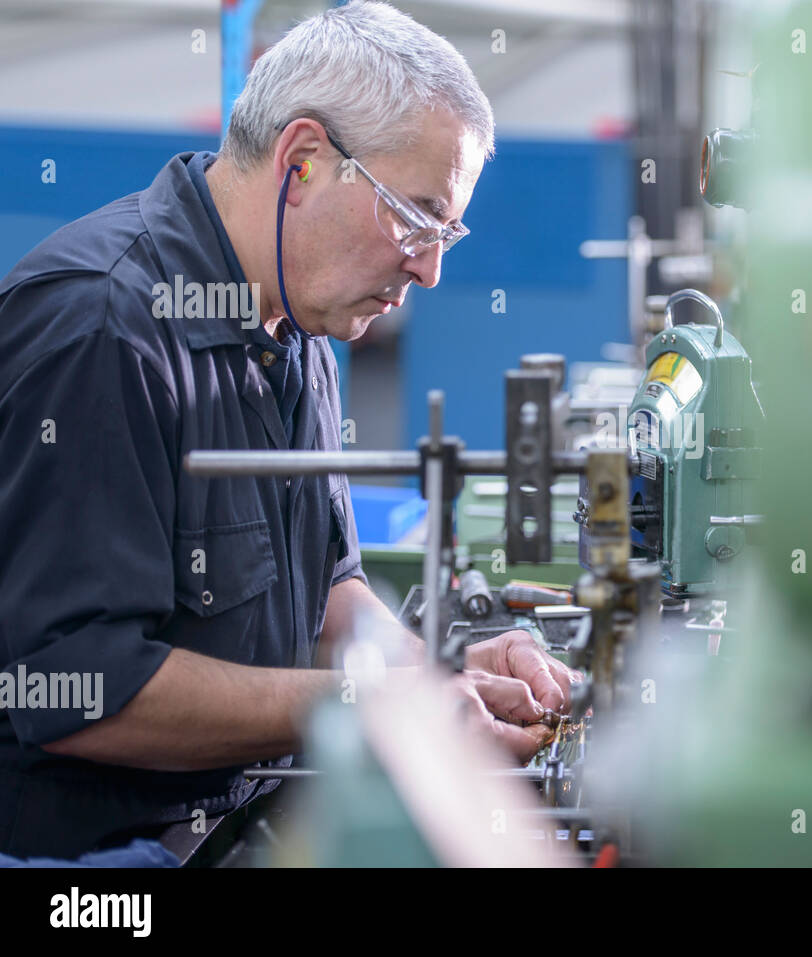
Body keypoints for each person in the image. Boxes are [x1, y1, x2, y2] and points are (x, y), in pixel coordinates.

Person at [0, 0, 572, 860]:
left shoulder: (292, 323)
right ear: (302, 162)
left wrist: (435, 674)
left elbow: (330, 590)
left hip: (233, 824)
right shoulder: (104, 328)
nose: (430, 266)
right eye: (416, 218)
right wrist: (369, 705)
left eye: (446, 230)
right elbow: (79, 691)